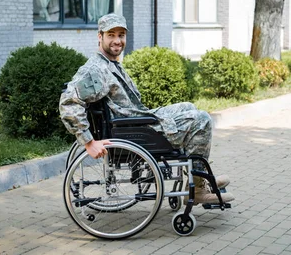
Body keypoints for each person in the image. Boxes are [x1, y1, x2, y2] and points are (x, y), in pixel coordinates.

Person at [59, 13, 234, 205]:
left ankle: (197, 179)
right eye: (111, 35)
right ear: (100, 36)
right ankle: (198, 188)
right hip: (132, 129)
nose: (117, 41)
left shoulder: (108, 64)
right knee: (202, 120)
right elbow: (68, 101)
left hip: (135, 120)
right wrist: (88, 142)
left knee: (189, 107)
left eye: (121, 35)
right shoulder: (96, 70)